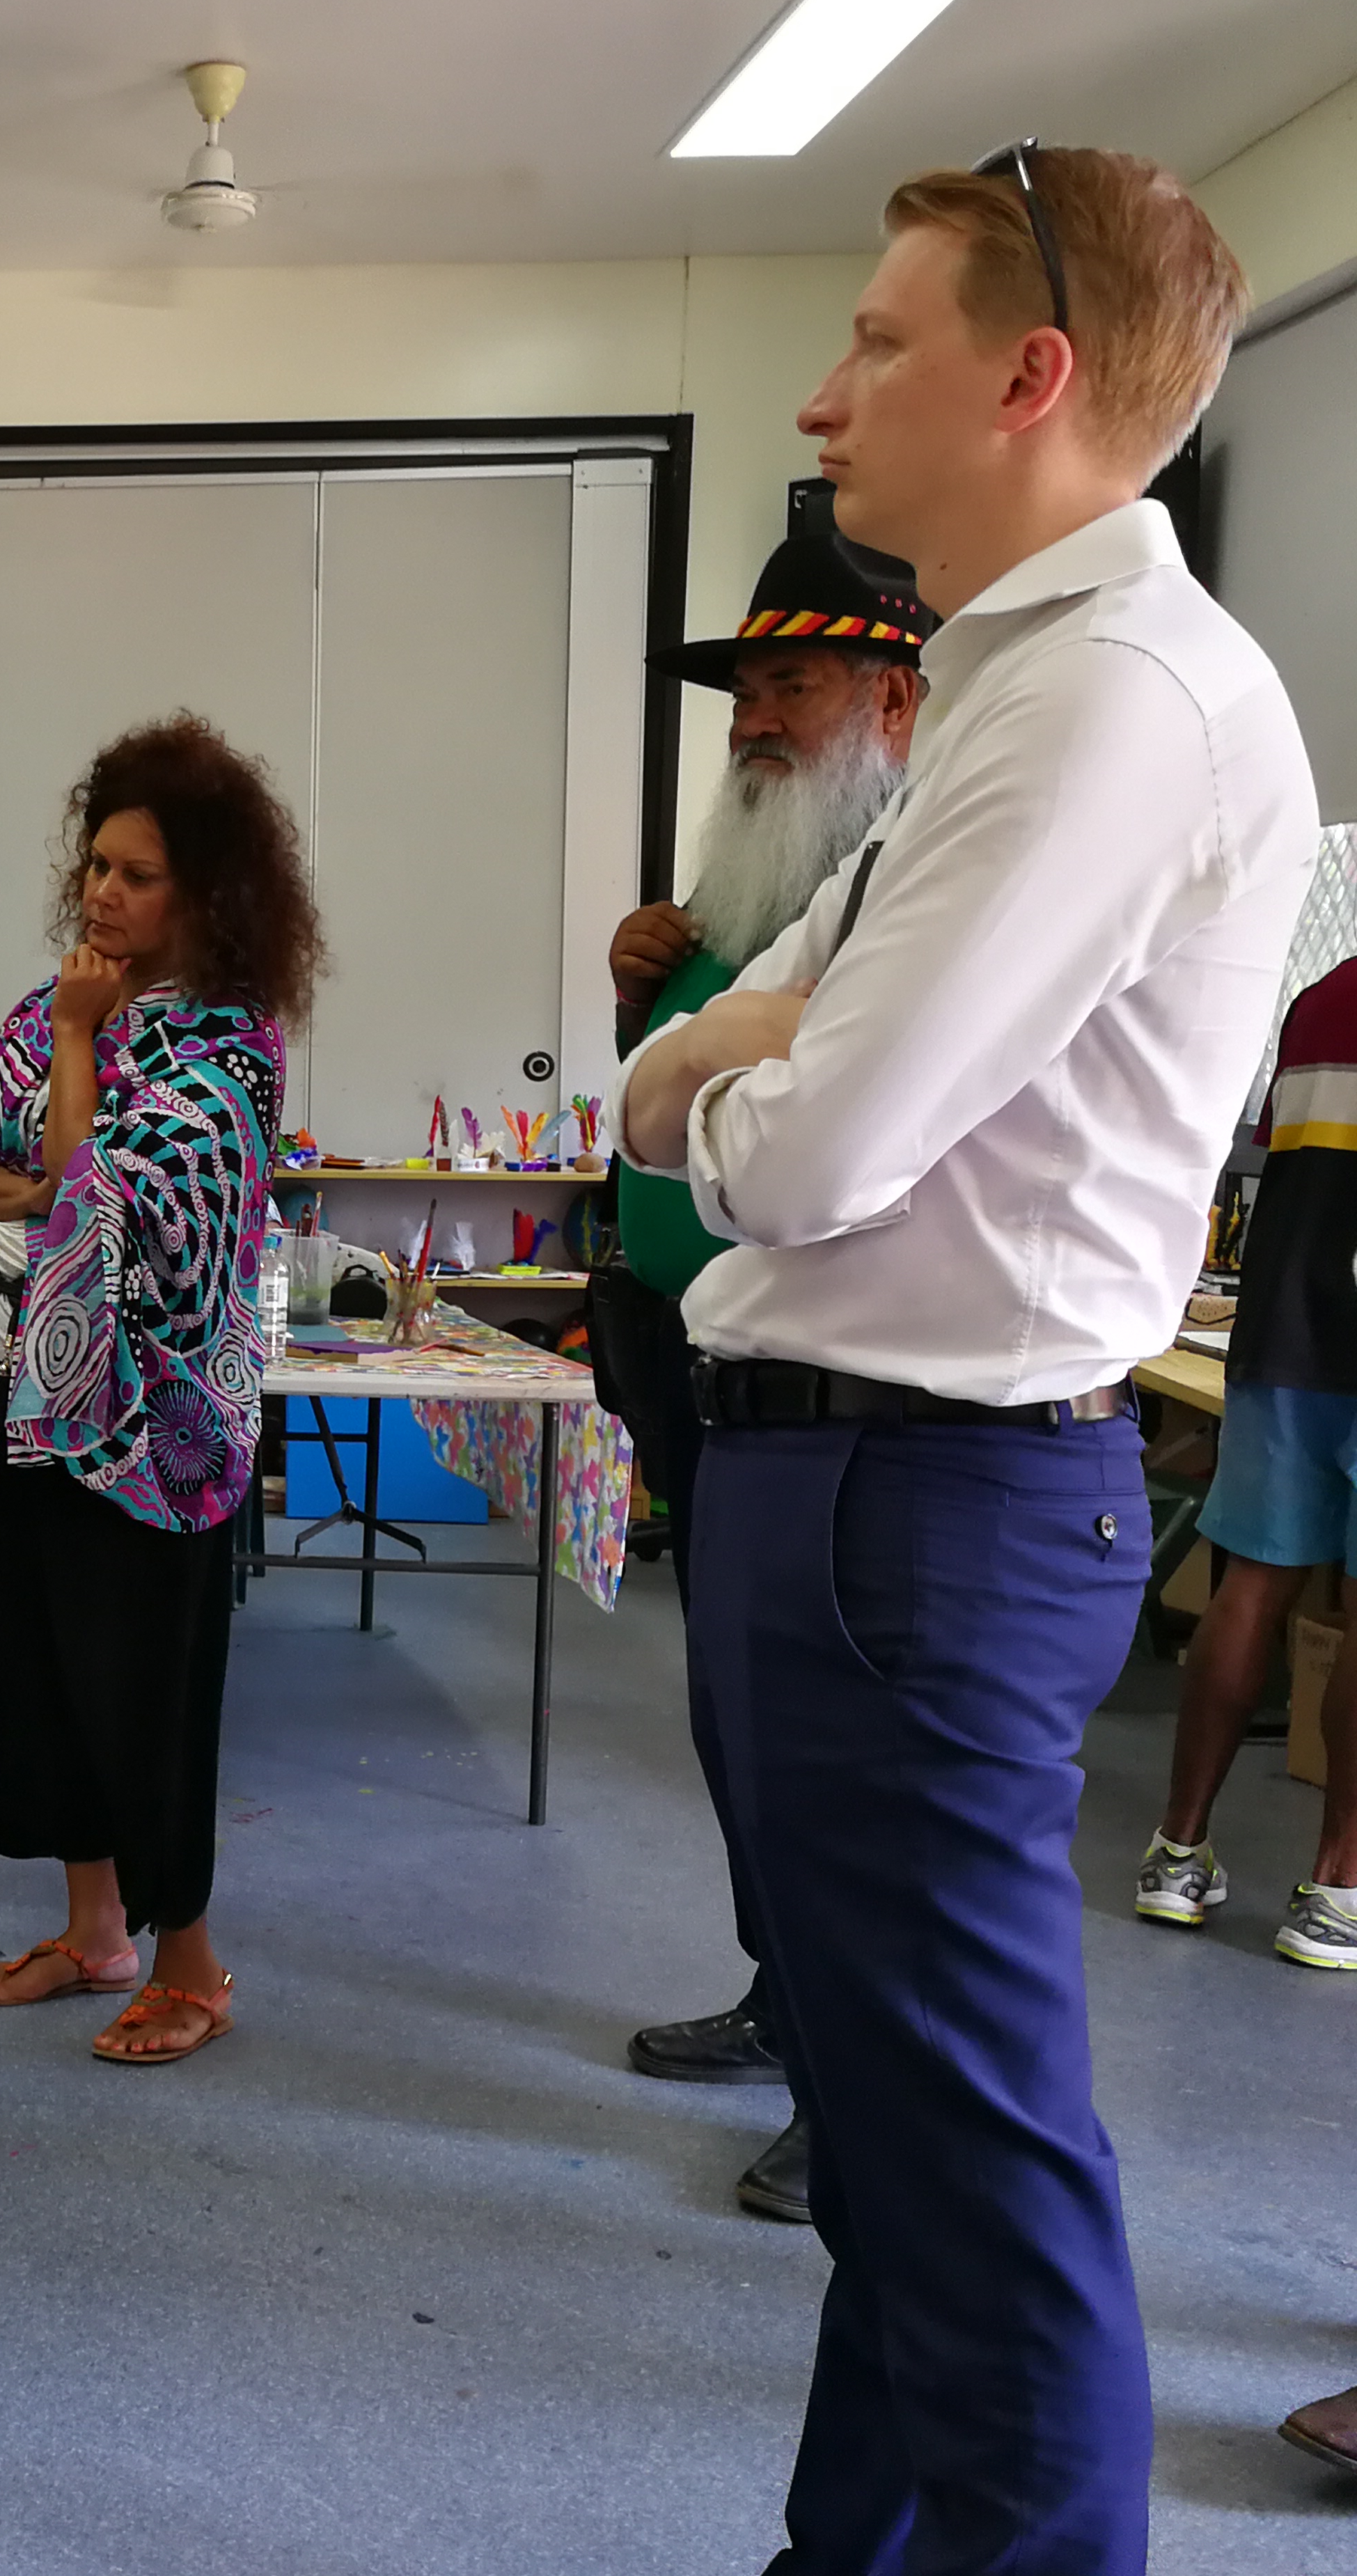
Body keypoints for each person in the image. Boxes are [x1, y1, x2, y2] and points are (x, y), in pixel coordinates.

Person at [620, 146, 1311, 2571]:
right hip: (860, 1492)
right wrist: (728, 1062)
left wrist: (725, 1079)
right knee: (906, 2173)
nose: (823, 398)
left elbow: (794, 1143)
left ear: (1029, 376)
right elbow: (718, 1043)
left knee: (973, 2195)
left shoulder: (1105, 702)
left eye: (875, 340)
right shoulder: (1027, 688)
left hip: (914, 1499)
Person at [599, 529, 932, 2225]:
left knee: (833, 1762)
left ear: (892, 700)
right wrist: (638, 1001)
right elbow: (662, 1100)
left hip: (840, 1383)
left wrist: (686, 1059)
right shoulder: (759, 892)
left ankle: (849, 2088)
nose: (751, 721)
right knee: (736, 1725)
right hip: (698, 1360)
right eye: (741, 692)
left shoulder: (919, 877)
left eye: (788, 685)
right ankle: (780, 1999)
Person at [0, 717, 315, 2066]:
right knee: (34, 1675)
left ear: (206, 894)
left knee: (140, 1695)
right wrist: (54, 1180)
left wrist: (73, 1071)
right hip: (9, 1389)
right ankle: (96, 1935)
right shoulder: (53, 1005)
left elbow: (98, 1212)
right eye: (94, 865)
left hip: (147, 1432)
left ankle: (191, 1965)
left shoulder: (229, 1053)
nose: (101, 894)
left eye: (137, 875)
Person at [1134, 952, 1357, 1969]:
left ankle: (1177, 1854)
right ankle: (1337, 1892)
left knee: (1250, 1588)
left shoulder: (1321, 999)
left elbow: (1279, 1158)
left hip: (1284, 1337)